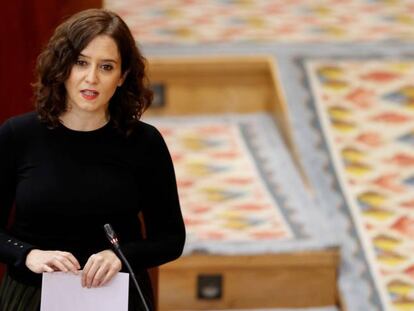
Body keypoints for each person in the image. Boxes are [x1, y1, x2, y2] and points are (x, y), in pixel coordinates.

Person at [0, 8, 185, 311]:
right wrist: (28, 254)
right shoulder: (17, 135)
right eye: (81, 62)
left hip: (116, 297)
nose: (91, 78)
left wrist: (120, 255)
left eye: (107, 66)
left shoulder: (144, 143)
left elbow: (171, 238)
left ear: (123, 76)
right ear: (63, 67)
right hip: (30, 297)